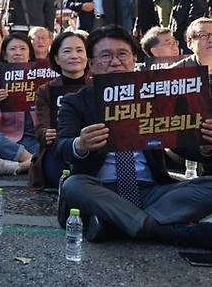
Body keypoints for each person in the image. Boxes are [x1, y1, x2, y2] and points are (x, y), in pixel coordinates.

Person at [57, 24, 212, 248]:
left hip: (152, 192)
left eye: (122, 54)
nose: (115, 61)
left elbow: (180, 144)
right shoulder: (76, 102)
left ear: (133, 59)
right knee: (73, 185)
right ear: (91, 64)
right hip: (101, 189)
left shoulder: (157, 95)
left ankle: (116, 224)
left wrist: (205, 145)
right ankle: (163, 232)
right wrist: (80, 144)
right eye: (105, 56)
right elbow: (62, 146)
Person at [31, 32, 87, 189]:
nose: (74, 56)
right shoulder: (46, 90)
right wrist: (45, 133)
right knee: (63, 180)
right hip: (58, 147)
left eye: (79, 50)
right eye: (67, 51)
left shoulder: (98, 86)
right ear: (56, 58)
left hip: (93, 148)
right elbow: (40, 126)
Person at [0, 32, 38, 175]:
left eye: (23, 49)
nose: (18, 53)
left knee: (56, 146)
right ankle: (35, 163)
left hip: (36, 139)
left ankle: (17, 166)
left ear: (30, 54)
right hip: (10, 140)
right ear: (5, 55)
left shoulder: (40, 79)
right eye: (13, 49)